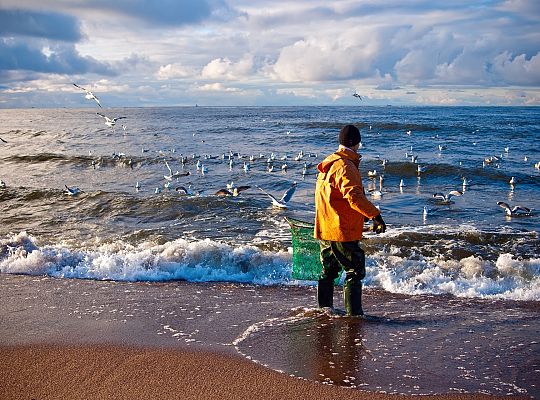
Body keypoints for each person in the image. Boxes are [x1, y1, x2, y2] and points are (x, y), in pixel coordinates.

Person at [314, 124, 386, 316]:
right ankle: (354, 317)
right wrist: (375, 215)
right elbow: (354, 197)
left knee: (328, 271)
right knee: (354, 271)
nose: (359, 148)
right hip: (341, 230)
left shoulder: (328, 165)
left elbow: (334, 199)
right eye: (359, 144)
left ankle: (324, 310)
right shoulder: (345, 166)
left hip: (326, 227)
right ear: (353, 143)